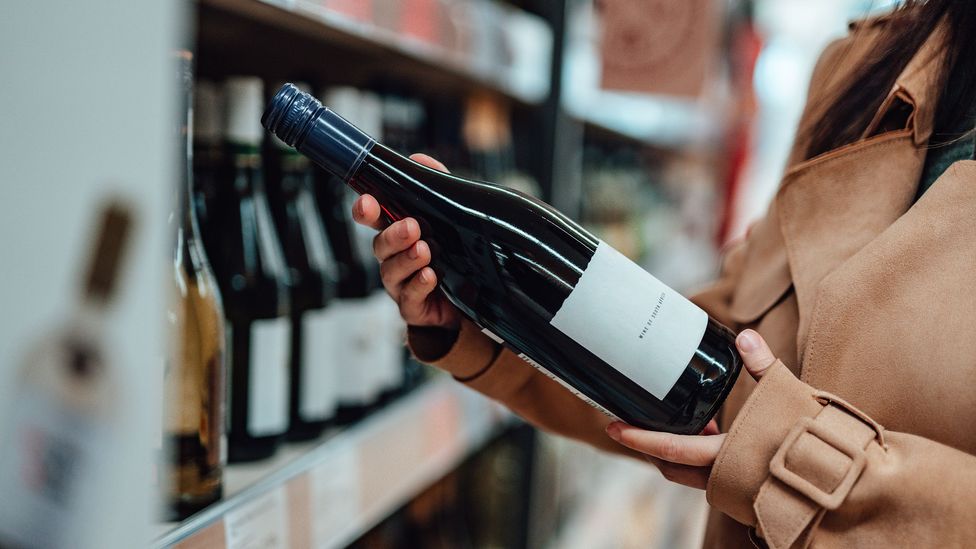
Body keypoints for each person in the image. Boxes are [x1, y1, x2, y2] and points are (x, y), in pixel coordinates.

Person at [352, 1, 976, 546]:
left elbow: (764, 425)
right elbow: (710, 357)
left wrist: (791, 462)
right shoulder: (870, 66)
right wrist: (483, 315)